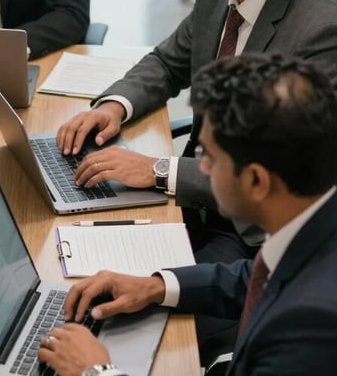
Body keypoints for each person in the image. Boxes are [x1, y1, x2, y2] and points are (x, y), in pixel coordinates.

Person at [56, 0, 337, 264]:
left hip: (246, 233)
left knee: (133, 295)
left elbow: (284, 175)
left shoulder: (318, 31)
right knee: (70, 244)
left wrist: (158, 170)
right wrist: (113, 107)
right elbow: (169, 62)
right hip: (193, 197)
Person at [39, 54, 337, 376]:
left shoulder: (311, 327)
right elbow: (255, 276)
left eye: (209, 156)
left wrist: (96, 371)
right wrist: (154, 287)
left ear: (255, 180)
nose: (202, 168)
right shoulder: (313, 222)